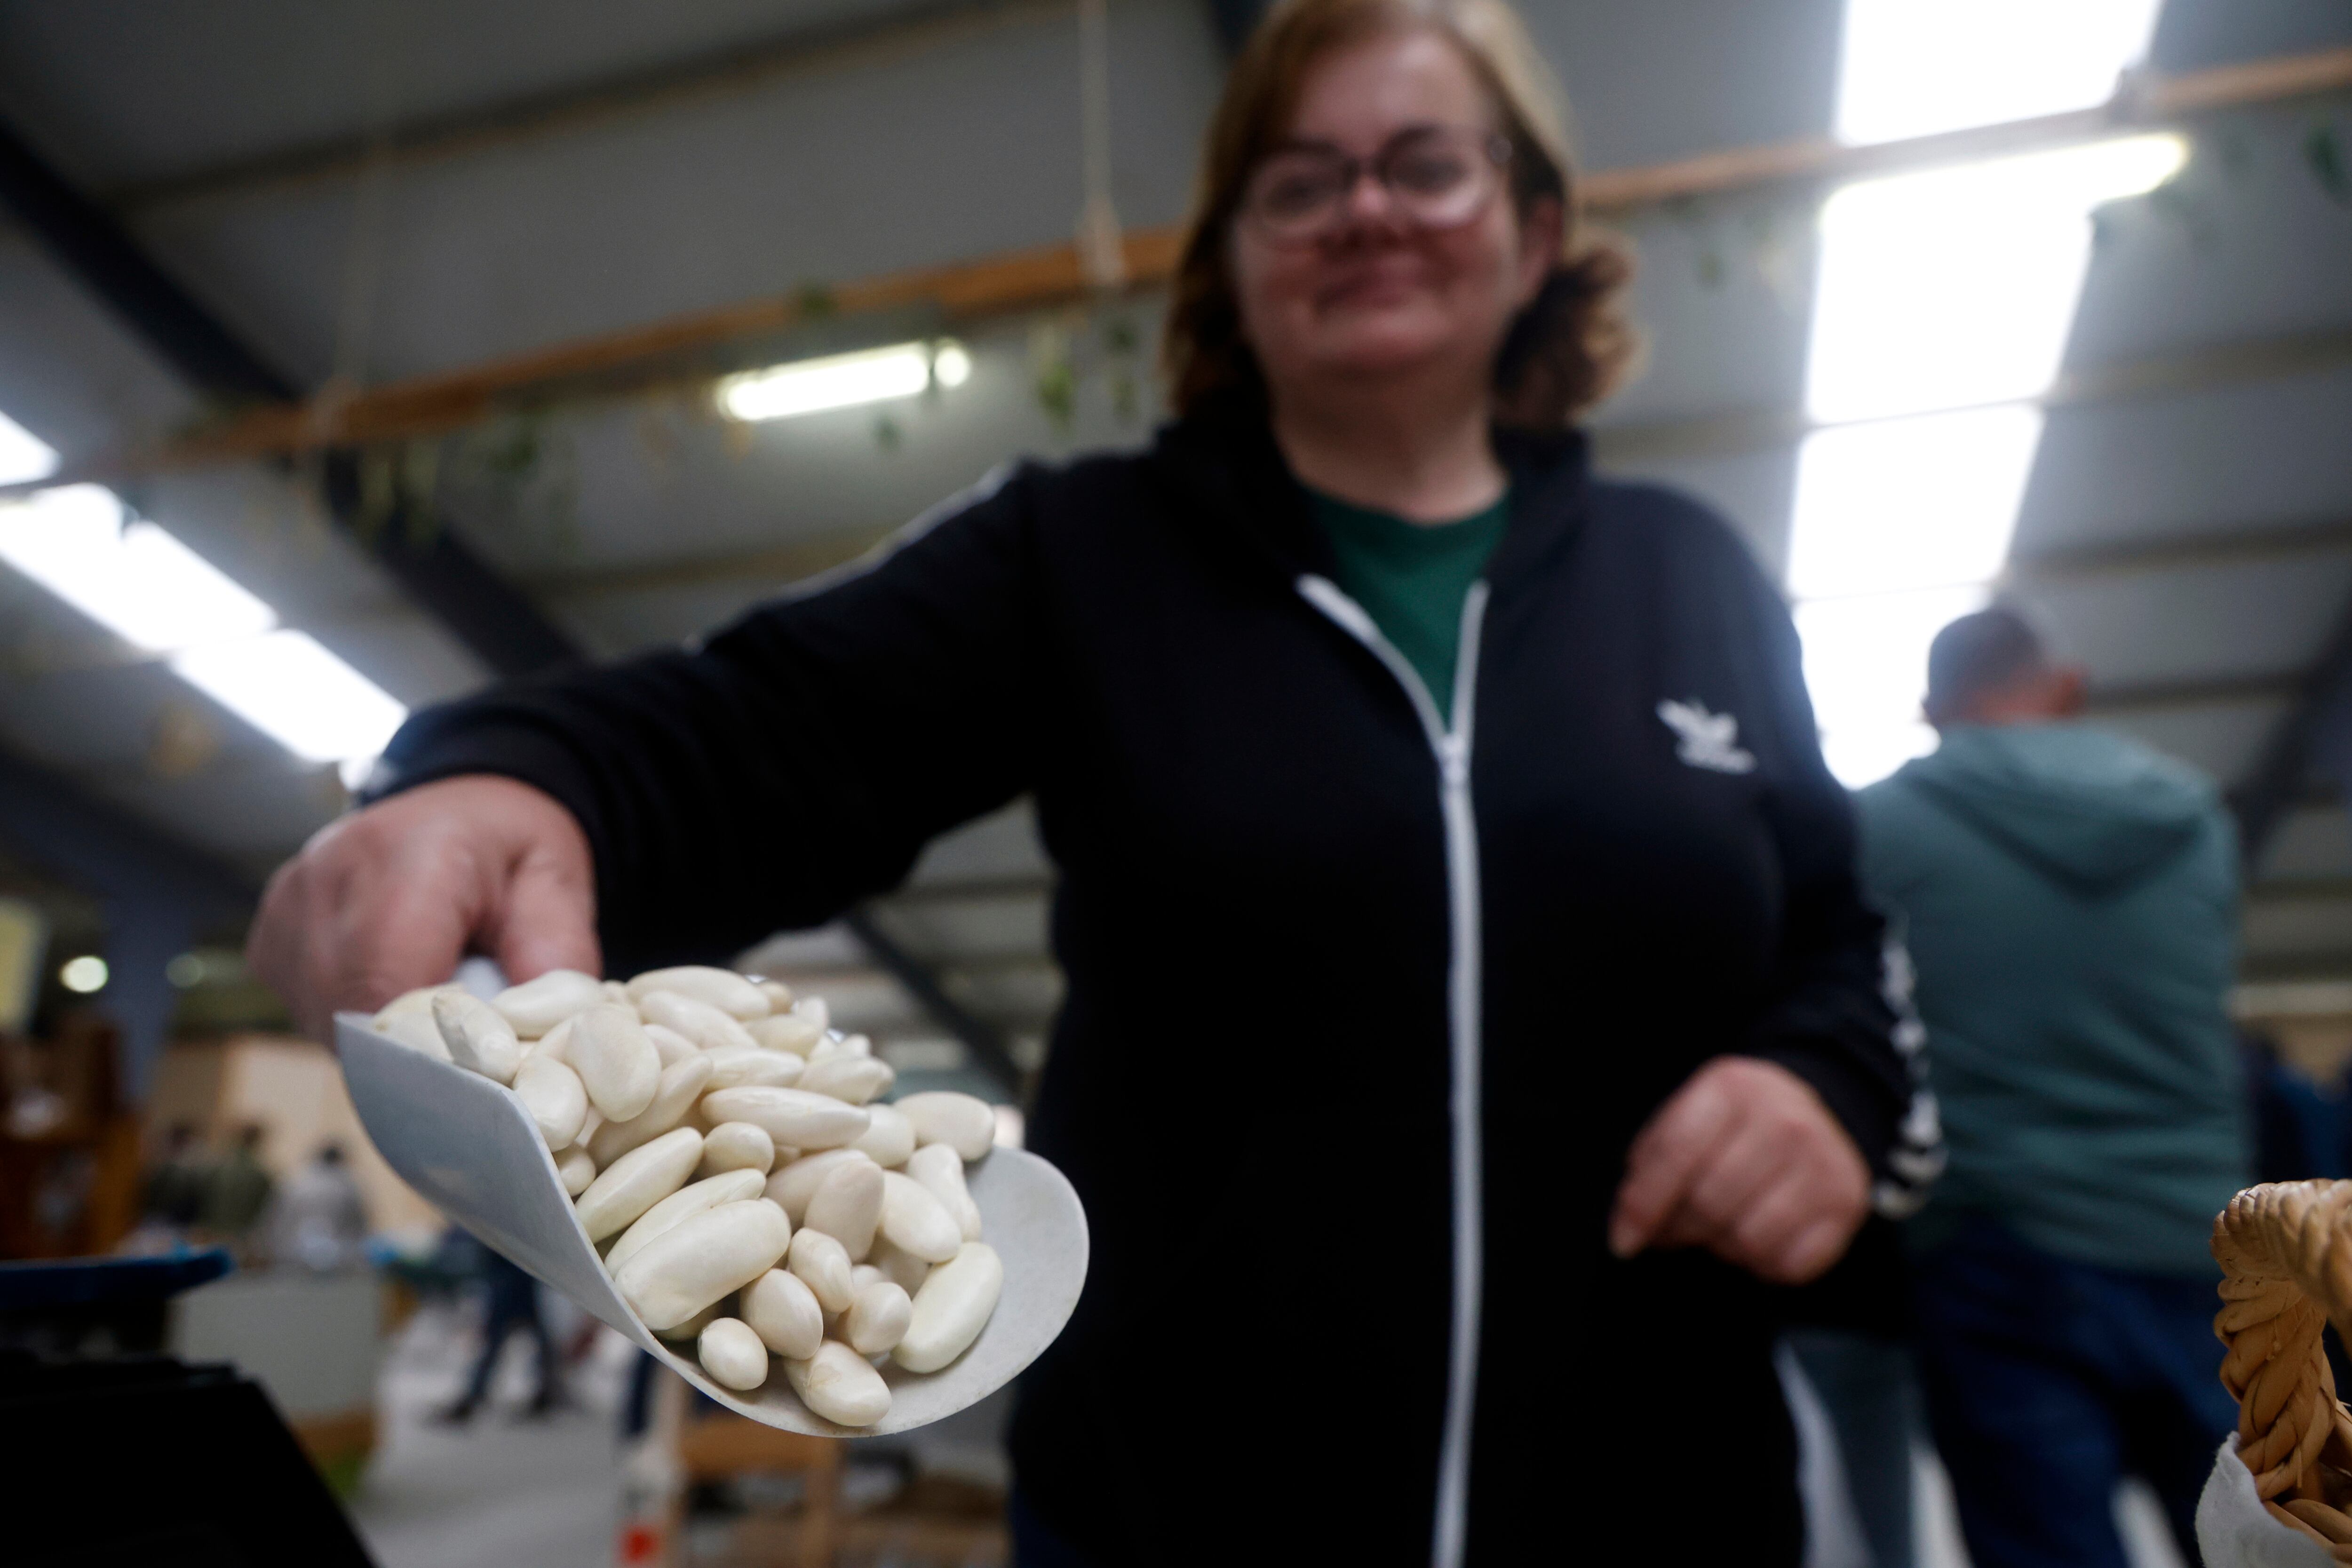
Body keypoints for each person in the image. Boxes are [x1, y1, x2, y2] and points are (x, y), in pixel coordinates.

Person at [247, 0, 1934, 1559]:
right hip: (1173, 1509)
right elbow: (759, 727)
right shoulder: (1083, 555)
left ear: (1535, 228)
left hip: (1654, 1500)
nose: (1366, 209)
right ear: (1233, 259)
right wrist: (507, 777)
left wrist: (1827, 1092)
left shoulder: (1690, 578)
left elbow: (1837, 942)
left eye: (1425, 163)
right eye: (1299, 181)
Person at [1856, 605, 2249, 1568]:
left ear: (1930, 708)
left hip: (1999, 1248)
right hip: (2207, 1242)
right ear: (2066, 686)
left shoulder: (1882, 824)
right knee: (2259, 1540)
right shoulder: (2195, 816)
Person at [438, 1230, 567, 1423]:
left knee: (497, 1341)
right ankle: (546, 1391)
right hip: (516, 1272)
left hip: (511, 1275)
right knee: (528, 1340)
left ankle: (476, 1395)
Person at [264, 1141, 370, 1272]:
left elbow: (278, 1220)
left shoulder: (295, 1183)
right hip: (337, 1254)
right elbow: (358, 1223)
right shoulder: (345, 1185)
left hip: (295, 1253)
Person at [197, 1123, 274, 1247]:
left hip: (210, 1235)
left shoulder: (216, 1167)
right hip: (241, 1240)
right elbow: (264, 1214)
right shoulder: (260, 1175)